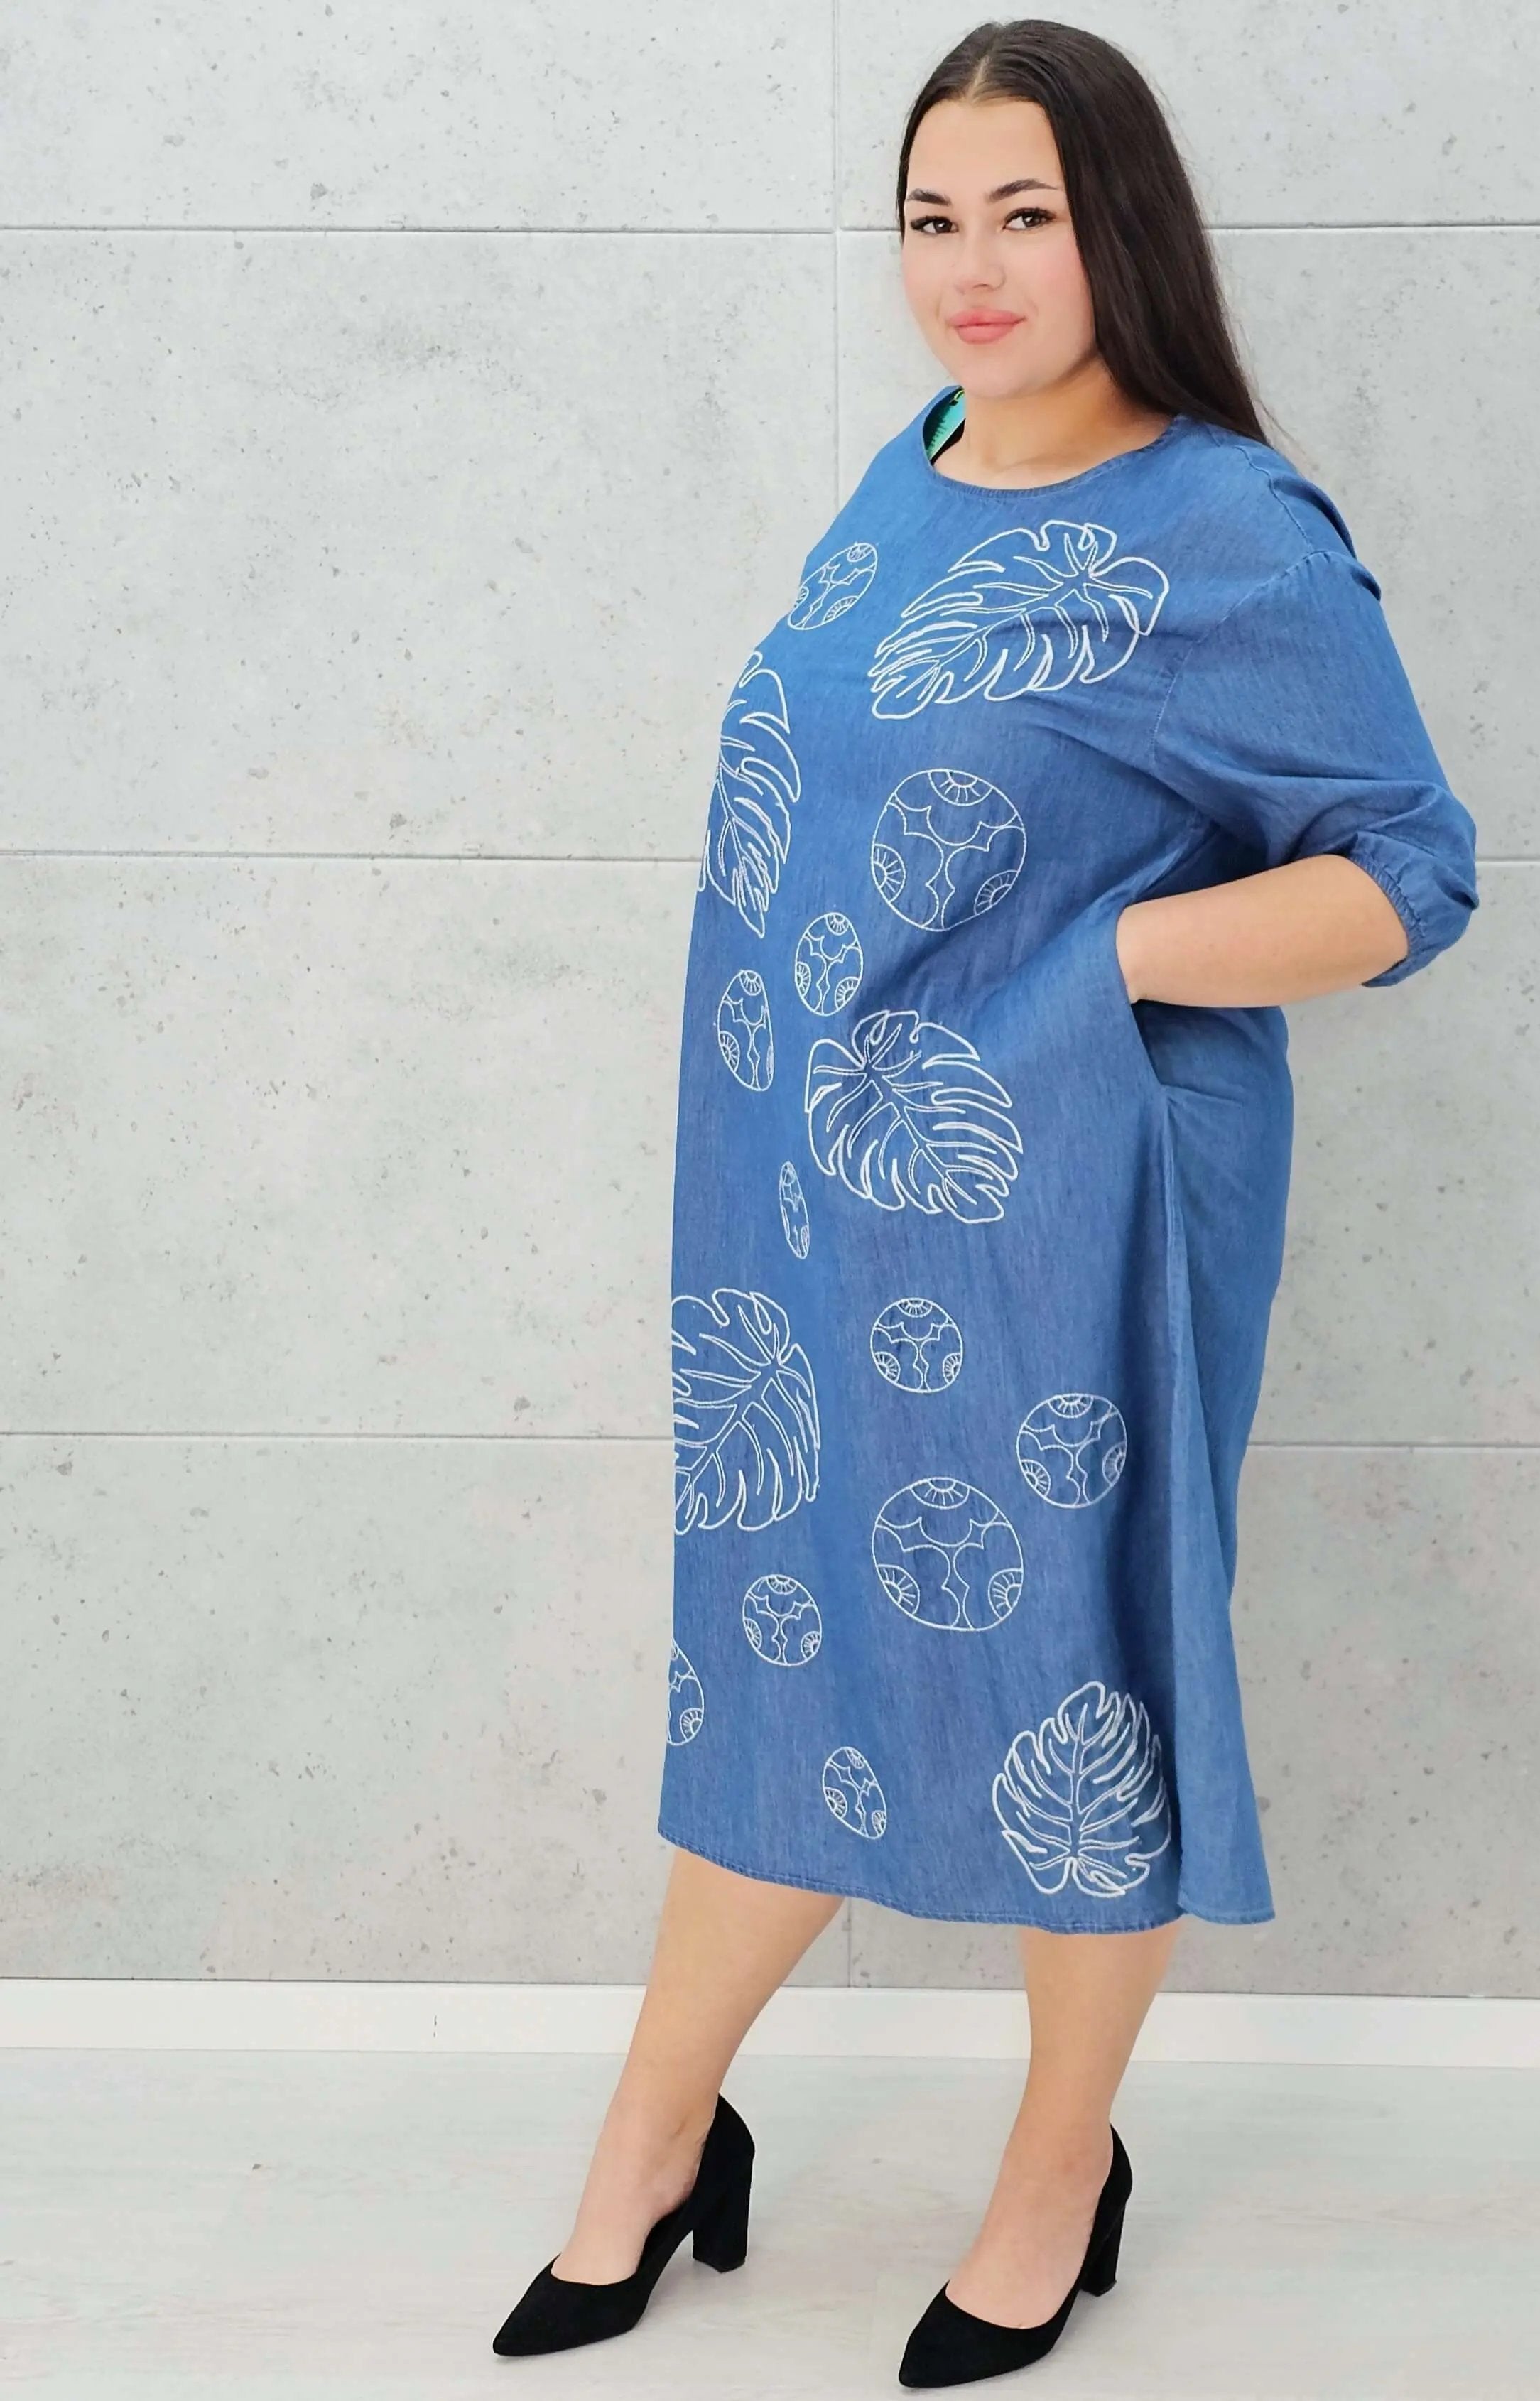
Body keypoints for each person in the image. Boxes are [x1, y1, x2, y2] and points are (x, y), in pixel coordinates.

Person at [493, 14, 1479, 2388]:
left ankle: (1057, 2174)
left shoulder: (1232, 530)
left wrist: (1109, 964)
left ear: (1117, 224)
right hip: (804, 1212)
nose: (972, 266)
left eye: (1025, 214)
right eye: (933, 218)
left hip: (1078, 1209)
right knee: (787, 1643)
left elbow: (1411, 873)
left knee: (1075, 1672)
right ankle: (655, 2133)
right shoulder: (911, 469)